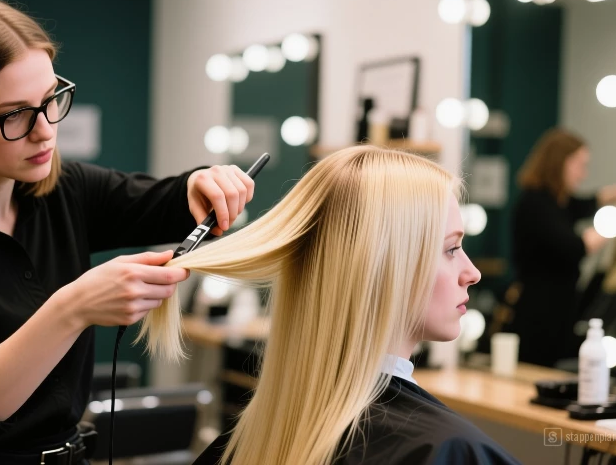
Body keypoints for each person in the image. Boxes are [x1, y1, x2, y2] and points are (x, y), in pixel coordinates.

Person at [0, 0, 255, 464]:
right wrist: (72, 308)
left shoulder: (66, 191)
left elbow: (171, 200)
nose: (45, 129)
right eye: (15, 114)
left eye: (51, 100)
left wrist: (205, 182)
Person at [137, 146, 519, 464]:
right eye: (451, 248)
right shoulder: (450, 450)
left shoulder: (260, 433)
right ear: (386, 267)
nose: (472, 273)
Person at [509, 128, 616, 368]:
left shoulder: (557, 201)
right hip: (539, 316)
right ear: (559, 163)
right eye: (580, 165)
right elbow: (576, 247)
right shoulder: (536, 204)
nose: (583, 174)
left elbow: (586, 203)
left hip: (558, 312)